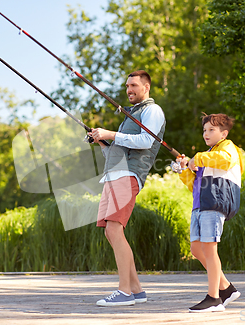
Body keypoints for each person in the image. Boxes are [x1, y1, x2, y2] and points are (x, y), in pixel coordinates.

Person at [88, 70, 165, 307]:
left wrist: (111, 133)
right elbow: (116, 150)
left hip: (129, 175)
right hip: (114, 175)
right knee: (110, 231)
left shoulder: (153, 110)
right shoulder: (130, 115)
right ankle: (136, 290)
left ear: (146, 87)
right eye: (127, 86)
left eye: (133, 85)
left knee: (114, 228)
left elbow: (146, 141)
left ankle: (124, 293)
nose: (129, 90)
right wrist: (102, 141)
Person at [176, 113, 243, 312]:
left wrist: (197, 158)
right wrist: (184, 169)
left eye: (211, 130)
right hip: (200, 205)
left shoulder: (227, 148)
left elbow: (225, 160)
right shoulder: (207, 156)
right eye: (204, 130)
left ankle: (214, 298)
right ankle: (227, 288)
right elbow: (194, 185)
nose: (206, 133)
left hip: (215, 203)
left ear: (224, 133)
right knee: (196, 249)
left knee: (209, 248)